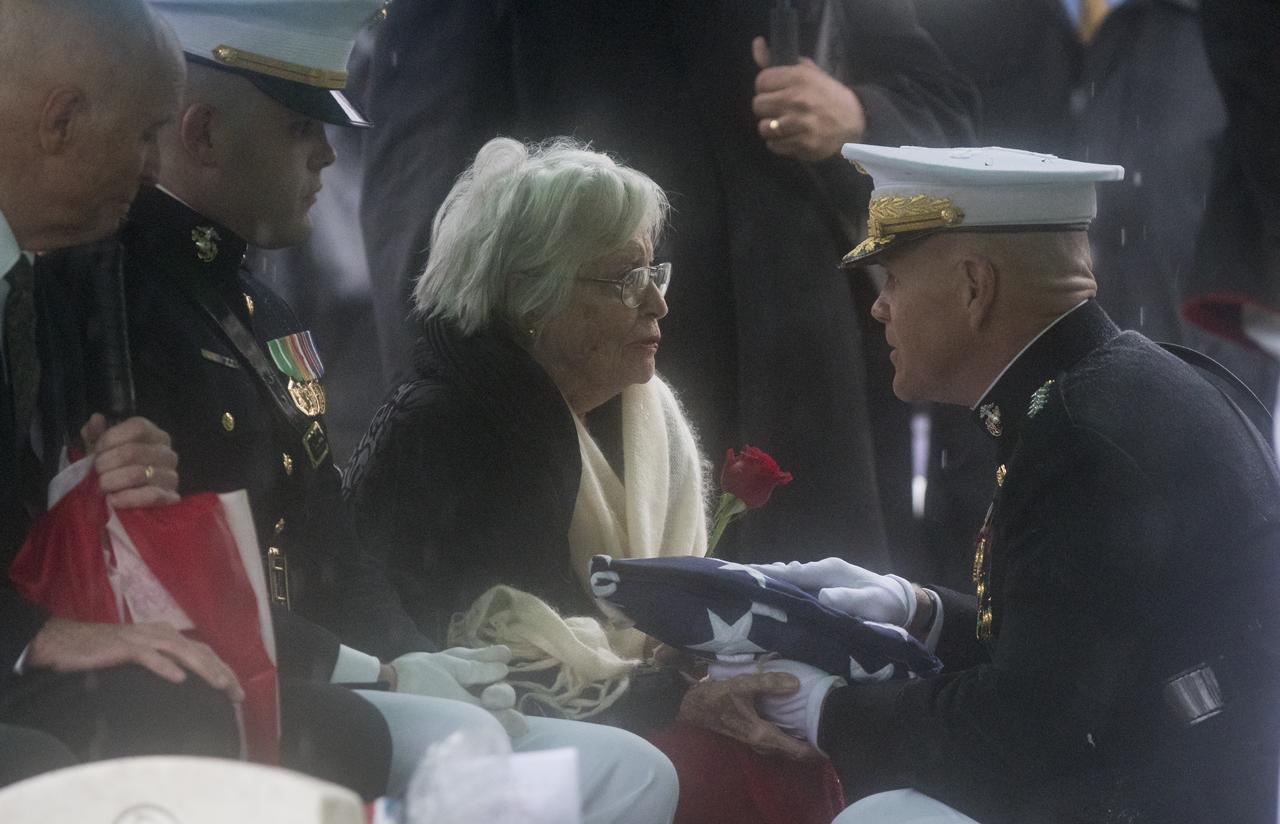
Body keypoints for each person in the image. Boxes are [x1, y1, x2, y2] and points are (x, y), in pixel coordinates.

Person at [40, 5, 679, 818]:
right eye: (302, 128)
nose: (326, 155)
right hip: (211, 683)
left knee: (631, 771)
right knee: (514, 762)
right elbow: (166, 569)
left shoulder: (261, 312)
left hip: (316, 664)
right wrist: (373, 668)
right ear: (201, 136)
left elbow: (328, 538)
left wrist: (414, 657)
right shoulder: (115, 303)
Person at [679, 145, 1280, 823]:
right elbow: (1075, 645)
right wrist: (920, 611)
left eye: (893, 279)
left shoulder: (1081, 434)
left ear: (974, 287)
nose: (879, 309)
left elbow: (1023, 728)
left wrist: (817, 708)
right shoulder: (1115, 386)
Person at [356, 0, 978, 569]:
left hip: (809, 405)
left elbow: (940, 111)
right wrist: (462, 415)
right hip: (584, 414)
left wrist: (859, 119)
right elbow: (426, 215)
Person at [0, 0, 245, 773]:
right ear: (62, 119)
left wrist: (93, 477)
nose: (152, 169)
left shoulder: (48, 274)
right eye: (144, 134)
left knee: (182, 692)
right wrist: (29, 634)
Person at [345, 137, 707, 644]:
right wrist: (669, 693)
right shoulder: (456, 433)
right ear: (531, 298)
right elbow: (496, 658)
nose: (656, 304)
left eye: (653, 274)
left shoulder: (644, 417)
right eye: (626, 279)